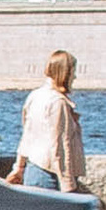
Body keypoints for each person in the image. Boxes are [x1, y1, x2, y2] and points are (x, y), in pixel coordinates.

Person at [17, 48, 88, 193]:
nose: (74, 77)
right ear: (65, 73)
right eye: (73, 71)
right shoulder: (58, 102)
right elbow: (60, 146)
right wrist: (68, 185)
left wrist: (19, 167)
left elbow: (27, 136)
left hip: (33, 171)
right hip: (50, 176)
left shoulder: (35, 96)